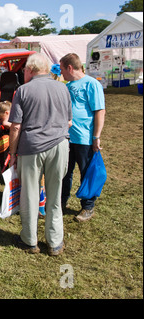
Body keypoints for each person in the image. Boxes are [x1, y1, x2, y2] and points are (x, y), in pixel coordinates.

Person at [8, 53, 72, 256]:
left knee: (30, 194)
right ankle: (55, 242)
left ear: (30, 70)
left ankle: (29, 240)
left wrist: (12, 153)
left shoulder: (22, 90)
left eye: (24, 70)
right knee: (55, 195)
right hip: (60, 145)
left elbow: (16, 127)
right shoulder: (63, 87)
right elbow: (69, 121)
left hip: (31, 148)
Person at [59, 53, 106, 222]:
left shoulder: (92, 84)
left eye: (62, 69)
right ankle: (61, 201)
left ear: (70, 68)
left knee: (86, 172)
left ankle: (88, 206)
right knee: (65, 171)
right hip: (66, 137)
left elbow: (99, 110)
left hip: (85, 138)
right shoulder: (68, 85)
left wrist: (96, 136)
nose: (61, 73)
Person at [0, 101, 12, 170]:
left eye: (0, 119)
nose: (0, 122)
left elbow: (16, 127)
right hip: (3, 146)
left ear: (7, 113)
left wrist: (5, 123)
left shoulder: (13, 121)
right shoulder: (5, 122)